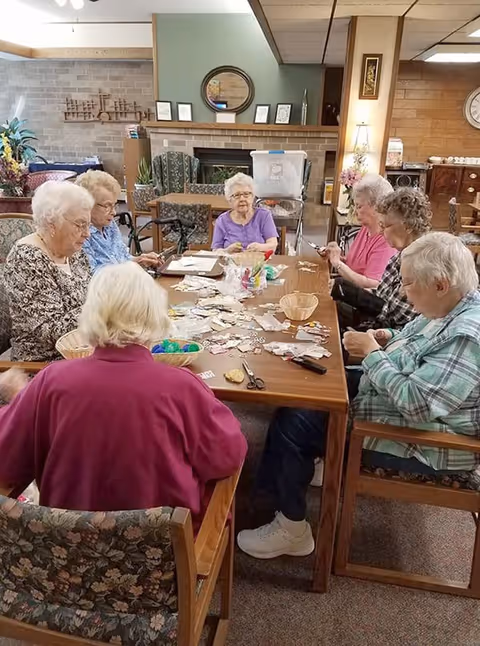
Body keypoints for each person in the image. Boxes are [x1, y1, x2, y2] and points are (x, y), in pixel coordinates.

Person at [238, 233, 480, 559]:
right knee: (304, 392)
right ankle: (273, 495)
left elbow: (418, 405)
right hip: (393, 396)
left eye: (409, 285)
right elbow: (417, 339)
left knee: (293, 422)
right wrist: (387, 337)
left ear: (440, 284)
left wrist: (372, 354)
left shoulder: (467, 335)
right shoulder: (454, 305)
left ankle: (291, 528)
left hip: (426, 441)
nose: (405, 295)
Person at [0, 262, 247, 529]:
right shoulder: (182, 387)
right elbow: (228, 457)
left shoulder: (51, 381)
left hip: (67, 556)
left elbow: (6, 457)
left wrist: (18, 402)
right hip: (162, 560)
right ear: (155, 315)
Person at [3, 181, 92, 362]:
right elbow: (51, 330)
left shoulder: (74, 252)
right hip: (44, 366)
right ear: (52, 223)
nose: (87, 233)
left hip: (84, 353)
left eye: (88, 225)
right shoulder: (26, 258)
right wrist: (106, 306)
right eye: (80, 224)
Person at [332, 187, 433, 331]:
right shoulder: (401, 254)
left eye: (386, 226)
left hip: (395, 336)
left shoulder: (422, 264)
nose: (380, 231)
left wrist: (348, 291)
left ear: (409, 225)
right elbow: (381, 293)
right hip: (380, 322)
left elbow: (394, 318)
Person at [76, 170, 160, 272]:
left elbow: (123, 258)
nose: (114, 212)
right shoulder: (80, 235)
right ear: (87, 205)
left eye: (114, 205)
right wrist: (132, 266)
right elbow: (92, 275)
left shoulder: (110, 225)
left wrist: (140, 260)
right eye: (107, 206)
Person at [323, 174, 395, 288]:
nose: (355, 211)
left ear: (376, 207)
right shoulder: (366, 228)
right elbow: (356, 266)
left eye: (359, 206)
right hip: (349, 289)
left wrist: (338, 264)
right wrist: (337, 256)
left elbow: (372, 285)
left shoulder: (386, 241)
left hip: (359, 300)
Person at [212, 172, 278, 253]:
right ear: (229, 200)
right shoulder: (222, 220)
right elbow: (215, 251)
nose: (242, 199)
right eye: (236, 195)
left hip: (258, 263)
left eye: (246, 194)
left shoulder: (264, 216)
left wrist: (260, 247)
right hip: (231, 264)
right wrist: (227, 251)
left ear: (253, 197)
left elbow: (273, 245)